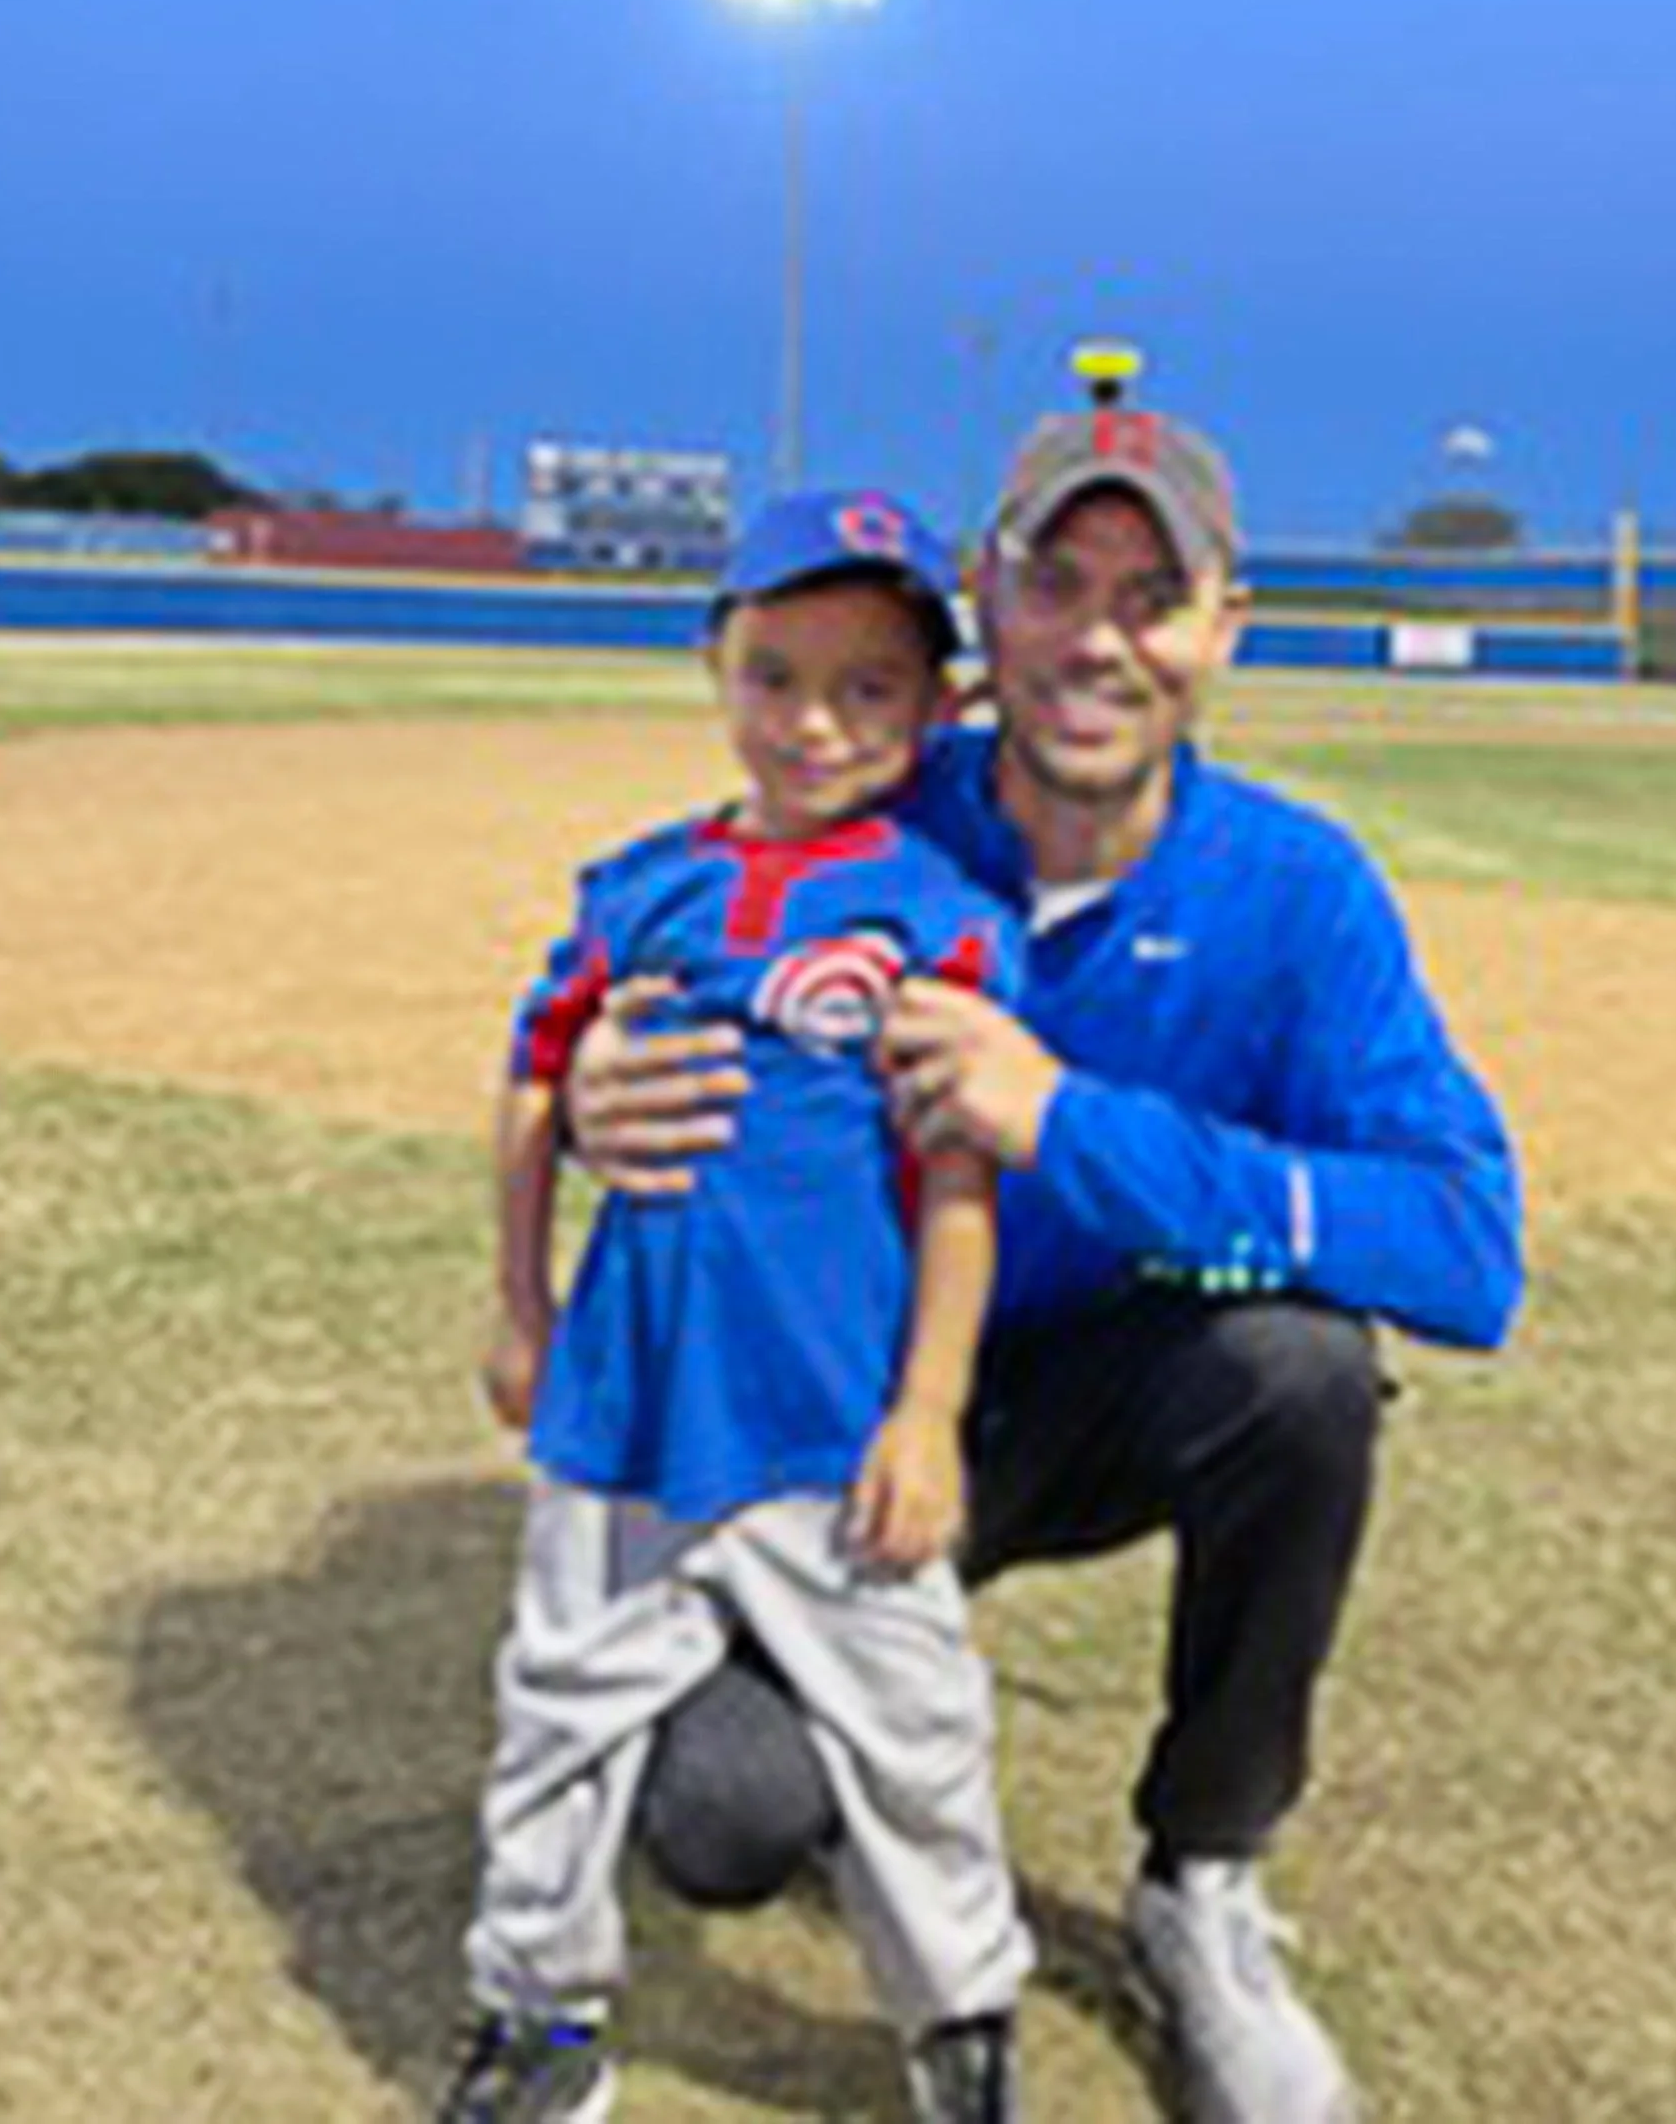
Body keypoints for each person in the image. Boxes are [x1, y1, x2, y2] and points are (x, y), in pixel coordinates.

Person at [564, 391, 1526, 2124]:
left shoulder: (1298, 892)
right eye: (1052, 580)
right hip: (833, 1415)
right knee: (721, 1820)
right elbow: (648, 966)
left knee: (1299, 1375)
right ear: (981, 613)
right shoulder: (870, 808)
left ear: (1224, 626)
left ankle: (1204, 1882)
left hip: (1097, 1396)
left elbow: (1467, 1247)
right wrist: (594, 1091)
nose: (1097, 636)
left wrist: (1067, 1122)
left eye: (1151, 594)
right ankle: (855, 1726)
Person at [440, 489, 1034, 2124]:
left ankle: (962, 2020)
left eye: (869, 687)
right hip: (629, 1405)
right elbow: (534, 1078)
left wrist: (926, 1409)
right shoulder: (641, 884)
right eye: (772, 674)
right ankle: (538, 2012)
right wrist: (519, 1302)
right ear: (714, 662)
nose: (813, 722)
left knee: (914, 1732)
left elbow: (964, 1184)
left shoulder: (940, 916)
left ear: (938, 705)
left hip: (826, 1419)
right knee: (560, 1712)